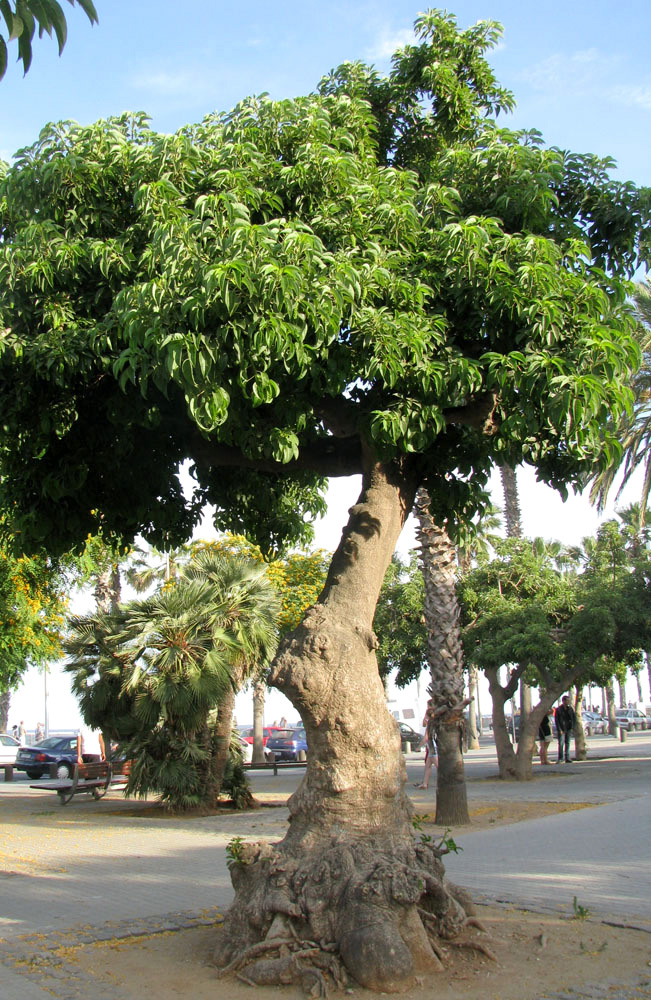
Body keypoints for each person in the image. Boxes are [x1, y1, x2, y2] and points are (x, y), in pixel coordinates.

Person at [415, 699, 438, 789]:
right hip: (431, 745)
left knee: (437, 764)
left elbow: (426, 738)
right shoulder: (432, 722)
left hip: (432, 745)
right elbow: (424, 724)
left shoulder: (431, 723)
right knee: (428, 765)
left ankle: (446, 781)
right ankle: (424, 783)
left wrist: (418, 747)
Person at [554, 695, 576, 763]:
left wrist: (572, 727)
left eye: (568, 701)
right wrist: (559, 729)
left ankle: (567, 757)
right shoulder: (559, 709)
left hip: (568, 728)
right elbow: (557, 720)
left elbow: (573, 718)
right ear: (563, 701)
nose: (568, 702)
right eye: (567, 700)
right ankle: (560, 758)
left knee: (568, 743)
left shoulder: (570, 709)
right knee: (561, 743)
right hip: (562, 728)